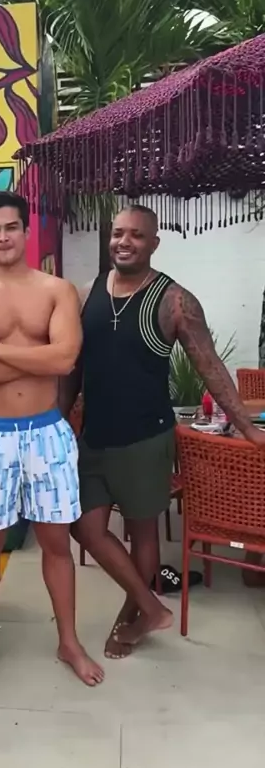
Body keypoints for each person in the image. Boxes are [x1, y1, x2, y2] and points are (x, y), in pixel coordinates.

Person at [60, 204, 265, 658]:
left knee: (143, 532)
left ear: (154, 243)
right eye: (118, 233)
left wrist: (247, 428)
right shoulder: (90, 291)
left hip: (145, 438)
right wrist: (59, 421)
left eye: (136, 235)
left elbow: (210, 367)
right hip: (94, 435)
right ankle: (151, 606)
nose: (124, 242)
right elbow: (75, 368)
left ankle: (132, 614)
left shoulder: (175, 300)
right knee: (85, 529)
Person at [0, 190, 104, 699]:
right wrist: (31, 356)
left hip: (46, 433)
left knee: (57, 543)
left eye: (10, 227)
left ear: (25, 229)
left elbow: (64, 361)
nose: (2, 237)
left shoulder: (57, 290)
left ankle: (68, 642)